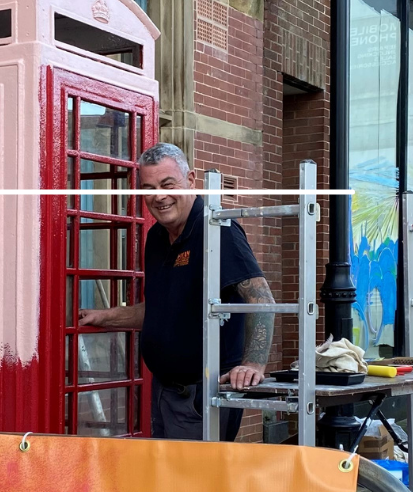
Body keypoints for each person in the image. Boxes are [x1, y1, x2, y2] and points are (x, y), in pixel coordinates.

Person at [79, 143, 274, 442]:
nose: (159, 196)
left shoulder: (217, 228)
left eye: (168, 184)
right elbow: (161, 308)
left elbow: (261, 298)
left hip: (203, 393)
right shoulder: (157, 237)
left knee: (196, 482)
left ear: (191, 180)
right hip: (164, 391)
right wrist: (105, 317)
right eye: (149, 188)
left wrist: (252, 364)